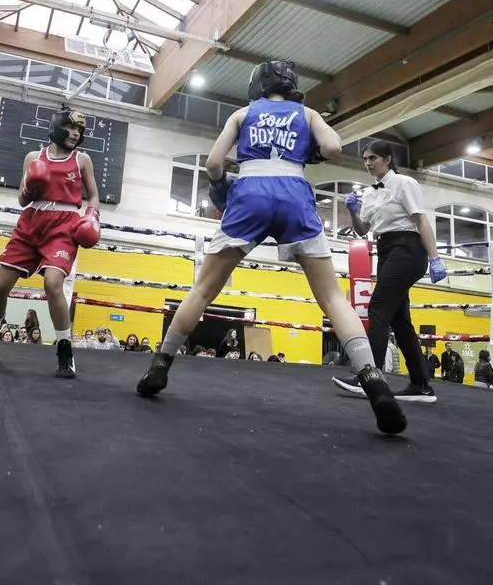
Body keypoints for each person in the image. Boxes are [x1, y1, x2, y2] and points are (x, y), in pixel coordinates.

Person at [135, 61, 405, 435]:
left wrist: (220, 187)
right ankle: (374, 380)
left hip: (250, 194)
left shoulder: (243, 114)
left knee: (203, 290)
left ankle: (160, 366)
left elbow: (213, 163)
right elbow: (333, 147)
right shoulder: (306, 113)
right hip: (294, 195)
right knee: (332, 298)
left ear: (257, 84)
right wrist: (306, 150)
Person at [0, 108, 100, 378]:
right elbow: (22, 200)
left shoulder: (82, 160)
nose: (75, 134)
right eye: (71, 128)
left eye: (79, 130)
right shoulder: (34, 157)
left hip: (64, 225)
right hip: (31, 221)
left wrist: (92, 216)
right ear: (57, 127)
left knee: (52, 284)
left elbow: (93, 196)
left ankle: (64, 349)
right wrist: (31, 188)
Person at [334, 140, 447, 404]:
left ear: (387, 159)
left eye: (373, 158)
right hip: (385, 250)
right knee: (399, 320)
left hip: (407, 248)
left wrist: (435, 258)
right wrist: (352, 211)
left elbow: (421, 220)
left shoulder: (405, 183)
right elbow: (362, 230)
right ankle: (421, 385)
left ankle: (369, 378)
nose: (368, 163)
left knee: (378, 309)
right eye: (365, 159)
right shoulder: (369, 193)